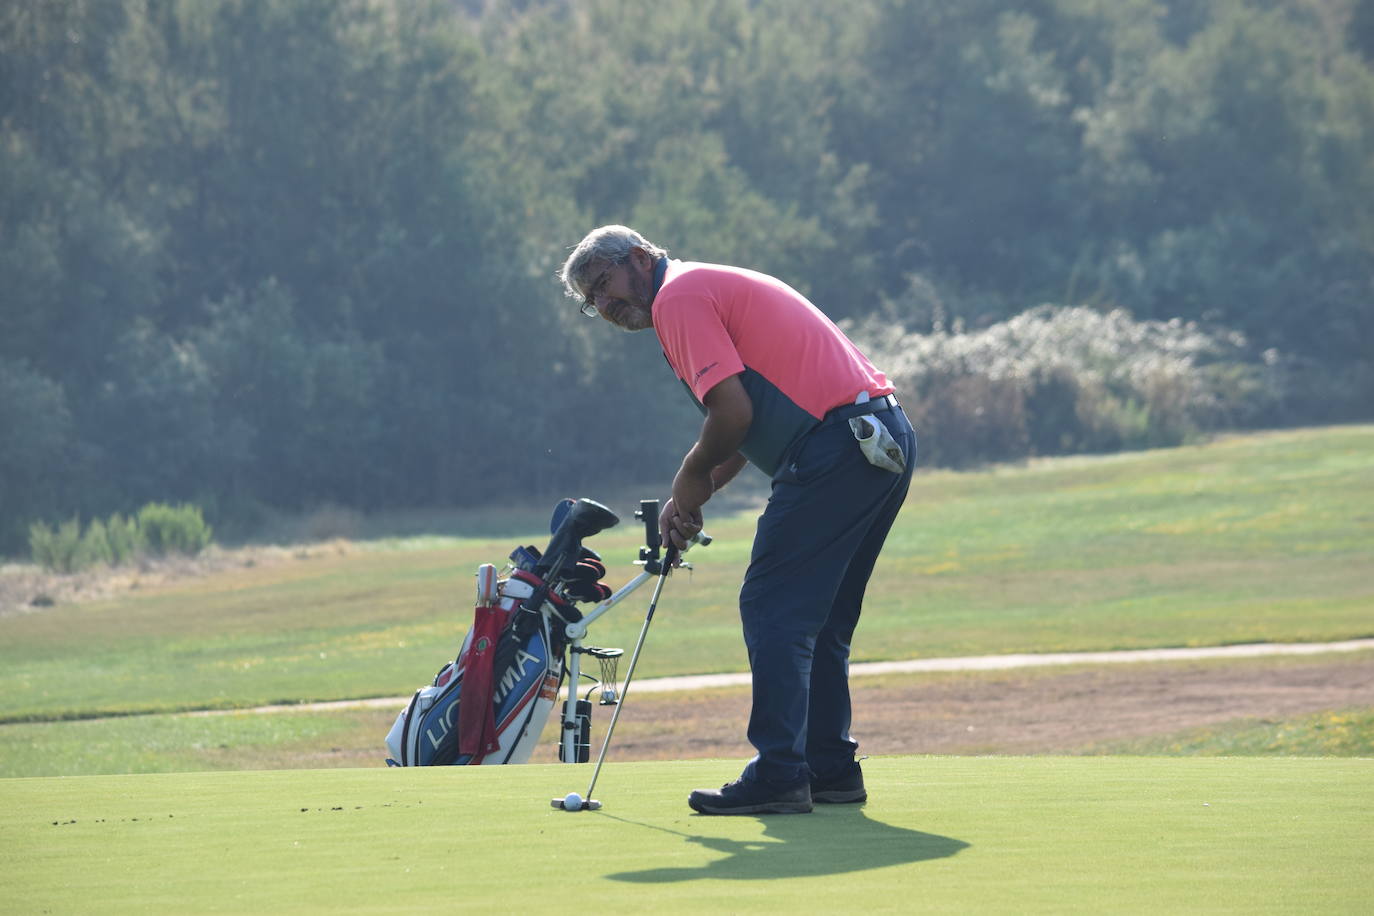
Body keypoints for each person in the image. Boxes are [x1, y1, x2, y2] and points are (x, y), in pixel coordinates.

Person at [559, 226, 916, 815]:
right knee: (819, 618)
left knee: (772, 604)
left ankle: (781, 774)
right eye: (590, 301)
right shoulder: (694, 288)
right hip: (876, 438)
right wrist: (694, 496)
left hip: (839, 447)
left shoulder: (677, 297)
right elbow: (752, 424)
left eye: (603, 284)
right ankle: (830, 768)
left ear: (641, 260)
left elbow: (732, 411)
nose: (603, 305)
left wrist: (689, 476)